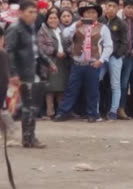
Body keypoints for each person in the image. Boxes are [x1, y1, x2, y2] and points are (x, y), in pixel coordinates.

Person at [6, 0, 57, 148]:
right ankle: (29, 138)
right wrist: (14, 73)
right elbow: (10, 52)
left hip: (32, 69)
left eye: (35, 12)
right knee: (28, 106)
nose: (33, 15)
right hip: (21, 72)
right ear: (20, 13)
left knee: (31, 106)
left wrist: (48, 62)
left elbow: (36, 49)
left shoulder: (31, 28)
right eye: (30, 12)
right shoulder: (15, 29)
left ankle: (29, 137)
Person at [54, 3, 113, 123]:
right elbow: (65, 35)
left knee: (93, 90)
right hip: (77, 63)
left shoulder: (103, 28)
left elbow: (109, 46)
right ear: (82, 14)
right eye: (87, 12)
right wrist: (75, 26)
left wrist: (101, 60)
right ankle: (63, 113)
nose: (90, 15)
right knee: (71, 89)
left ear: (97, 14)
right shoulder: (76, 25)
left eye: (93, 12)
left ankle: (92, 114)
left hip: (92, 63)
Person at [38, 10, 69, 119]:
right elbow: (41, 47)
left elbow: (67, 43)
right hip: (50, 61)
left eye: (55, 18)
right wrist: (55, 52)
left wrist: (67, 51)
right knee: (50, 89)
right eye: (50, 18)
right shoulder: (43, 31)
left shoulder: (62, 30)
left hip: (62, 61)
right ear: (47, 19)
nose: (53, 20)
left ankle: (61, 112)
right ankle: (50, 112)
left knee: (61, 88)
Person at [101, 0, 128, 120]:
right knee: (96, 81)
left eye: (113, 6)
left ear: (117, 9)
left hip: (114, 57)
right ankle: (95, 109)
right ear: (105, 8)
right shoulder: (100, 21)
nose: (110, 8)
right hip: (101, 57)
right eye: (108, 6)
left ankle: (113, 111)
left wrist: (117, 55)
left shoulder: (121, 23)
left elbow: (124, 42)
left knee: (115, 84)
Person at [119, 0, 133, 119]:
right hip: (122, 56)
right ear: (124, 8)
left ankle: (130, 109)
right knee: (123, 84)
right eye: (128, 8)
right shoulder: (119, 20)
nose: (130, 10)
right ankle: (119, 108)